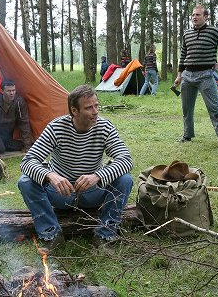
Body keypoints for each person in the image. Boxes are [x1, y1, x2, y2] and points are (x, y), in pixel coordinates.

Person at [18, 85, 133, 249]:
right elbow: (28, 161)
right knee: (26, 181)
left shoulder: (105, 127)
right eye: (88, 108)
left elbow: (126, 159)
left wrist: (98, 176)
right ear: (74, 111)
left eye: (96, 106)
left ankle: (105, 235)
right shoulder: (56, 128)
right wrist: (51, 176)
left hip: (93, 192)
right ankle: (51, 235)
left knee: (125, 179)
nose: (95, 112)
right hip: (61, 193)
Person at [173, 4, 218, 150]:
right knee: (186, 108)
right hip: (187, 75)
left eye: (198, 15)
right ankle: (187, 135)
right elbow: (183, 55)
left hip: (206, 75)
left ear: (205, 17)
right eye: (193, 15)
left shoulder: (214, 31)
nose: (194, 17)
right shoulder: (186, 33)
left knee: (215, 108)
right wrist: (179, 75)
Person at [0, 80, 32, 155]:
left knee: (23, 145)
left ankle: (3, 144)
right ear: (2, 91)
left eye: (13, 90)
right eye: (9, 91)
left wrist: (27, 147)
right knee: (1, 149)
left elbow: (24, 123)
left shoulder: (19, 102)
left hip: (6, 136)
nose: (12, 93)